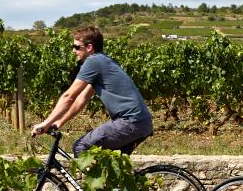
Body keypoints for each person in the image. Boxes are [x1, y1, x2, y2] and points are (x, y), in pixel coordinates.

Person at [32, 26, 153, 156]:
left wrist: (46, 123)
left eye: (77, 47)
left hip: (129, 122)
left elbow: (69, 96)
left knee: (81, 147)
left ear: (89, 47)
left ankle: (93, 177)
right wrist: (60, 122)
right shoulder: (103, 61)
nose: (73, 51)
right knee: (111, 163)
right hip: (141, 123)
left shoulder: (93, 61)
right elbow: (81, 99)